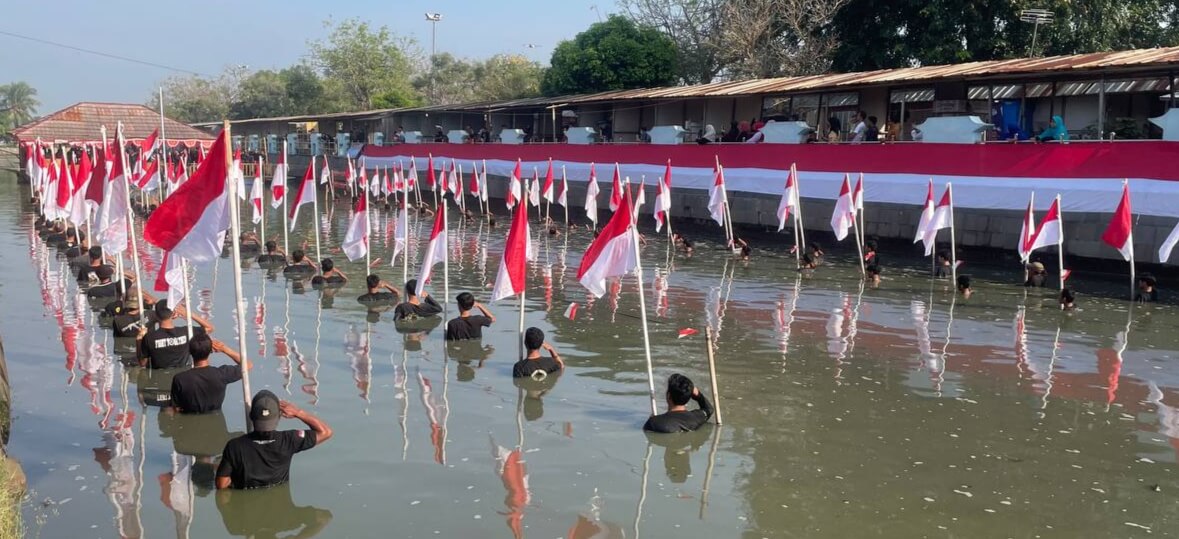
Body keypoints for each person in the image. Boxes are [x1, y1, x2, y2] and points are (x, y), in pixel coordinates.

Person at [216, 390, 332, 490]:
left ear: (251, 416)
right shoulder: (290, 440)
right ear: (279, 417)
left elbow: (221, 484)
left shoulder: (234, 446)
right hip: (279, 496)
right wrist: (298, 413)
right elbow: (326, 432)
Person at [170, 334, 248, 414]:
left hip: (189, 422)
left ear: (190, 352)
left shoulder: (180, 379)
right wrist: (224, 349)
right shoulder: (222, 374)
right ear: (211, 351)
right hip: (217, 423)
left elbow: (174, 408)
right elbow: (248, 364)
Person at [136, 301, 208, 370]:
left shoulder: (149, 337)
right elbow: (209, 328)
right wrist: (188, 313)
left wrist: (139, 340)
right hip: (182, 377)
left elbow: (142, 363)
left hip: (160, 379)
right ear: (173, 314)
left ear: (156, 316)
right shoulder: (186, 332)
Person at [642, 373, 714, 433]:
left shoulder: (654, 423)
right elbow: (709, 409)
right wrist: (699, 395)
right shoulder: (697, 417)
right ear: (689, 396)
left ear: (669, 395)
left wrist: (651, 419)